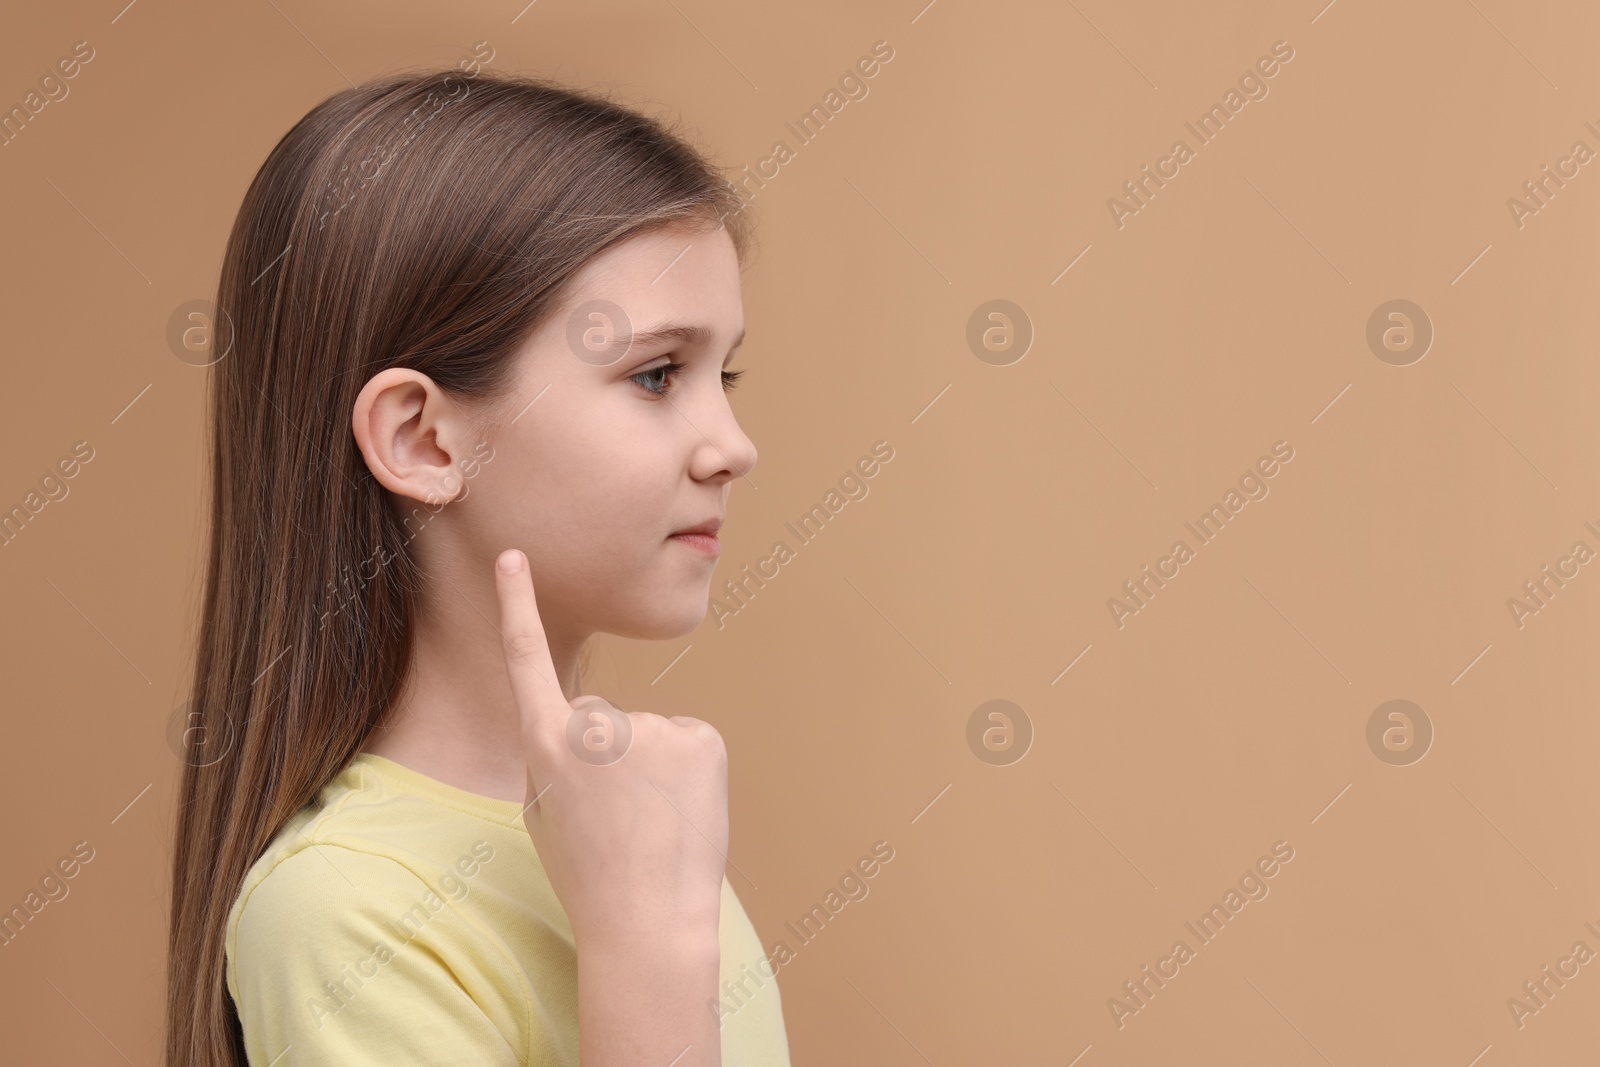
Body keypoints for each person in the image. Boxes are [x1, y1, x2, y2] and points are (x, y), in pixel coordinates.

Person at [164, 66, 788, 1066]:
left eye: (726, 373)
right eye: (656, 373)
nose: (731, 444)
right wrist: (647, 950)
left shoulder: (631, 827)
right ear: (422, 438)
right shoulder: (345, 911)